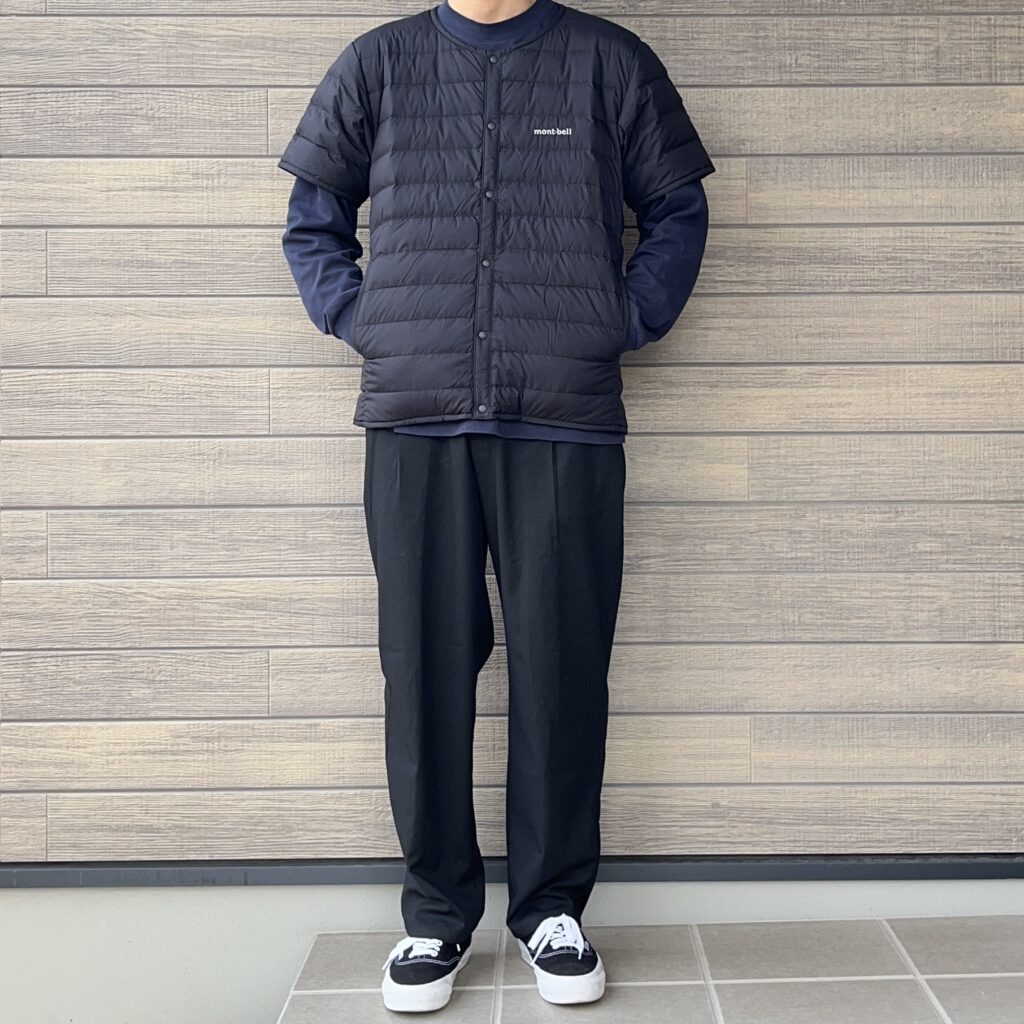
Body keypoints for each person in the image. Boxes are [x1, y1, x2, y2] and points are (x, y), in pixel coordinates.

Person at [278, 0, 713, 1012]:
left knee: (563, 668)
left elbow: (678, 208)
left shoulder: (610, 62)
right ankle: (435, 916)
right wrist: (367, 320)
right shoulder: (376, 65)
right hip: (414, 417)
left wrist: (619, 318)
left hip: (564, 419)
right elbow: (312, 217)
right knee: (422, 669)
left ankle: (552, 909)